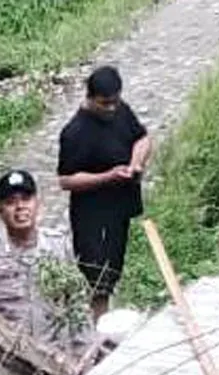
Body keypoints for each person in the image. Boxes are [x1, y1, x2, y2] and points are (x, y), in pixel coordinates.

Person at [58, 65, 153, 320]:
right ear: (90, 98)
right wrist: (107, 177)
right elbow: (66, 180)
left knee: (113, 271)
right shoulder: (74, 132)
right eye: (105, 104)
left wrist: (136, 163)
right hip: (92, 216)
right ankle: (96, 328)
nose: (111, 108)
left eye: (115, 102)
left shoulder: (121, 111)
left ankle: (105, 320)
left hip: (119, 209)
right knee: (96, 277)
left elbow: (142, 138)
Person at [0, 170, 76, 337]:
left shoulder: (59, 246)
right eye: (11, 202)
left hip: (55, 352)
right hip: (6, 355)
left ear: (38, 204)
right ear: (0, 211)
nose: (20, 207)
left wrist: (81, 353)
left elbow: (77, 303)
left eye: (26, 200)